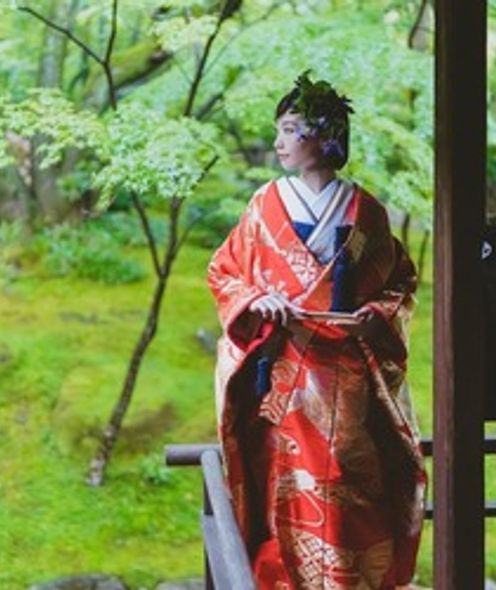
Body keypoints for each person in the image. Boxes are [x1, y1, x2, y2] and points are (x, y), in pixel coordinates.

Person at [207, 71, 427, 590]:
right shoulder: (264, 205)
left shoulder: (366, 211)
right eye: (279, 130)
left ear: (325, 135)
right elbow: (225, 271)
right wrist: (256, 299)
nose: (279, 142)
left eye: (290, 129)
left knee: (349, 477)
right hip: (284, 373)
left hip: (348, 377)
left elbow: (400, 281)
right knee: (283, 483)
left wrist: (376, 314)